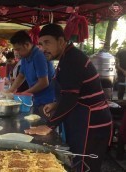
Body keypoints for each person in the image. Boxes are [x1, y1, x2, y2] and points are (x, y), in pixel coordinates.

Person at [37, 24, 112, 172]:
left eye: (47, 42)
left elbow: (71, 97)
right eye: (41, 44)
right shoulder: (66, 57)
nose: (43, 48)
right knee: (76, 163)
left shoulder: (73, 59)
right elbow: (72, 92)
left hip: (92, 123)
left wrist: (49, 126)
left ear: (60, 41)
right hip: (81, 119)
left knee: (85, 166)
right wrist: (56, 104)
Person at [8, 30, 55, 113]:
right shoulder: (25, 57)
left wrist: (23, 94)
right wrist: (10, 91)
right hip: (36, 99)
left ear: (27, 45)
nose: (17, 52)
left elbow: (44, 82)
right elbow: (21, 75)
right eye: (15, 50)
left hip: (47, 102)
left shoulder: (39, 56)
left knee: (42, 124)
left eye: (18, 49)